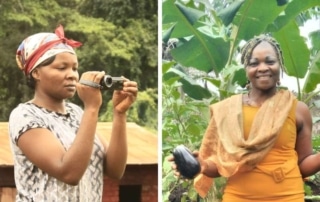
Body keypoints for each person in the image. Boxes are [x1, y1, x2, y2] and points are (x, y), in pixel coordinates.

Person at [169, 35, 318, 202]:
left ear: (280, 66)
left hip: (288, 196)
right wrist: (202, 166)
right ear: (246, 69)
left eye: (270, 62)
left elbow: (303, 165)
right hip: (239, 197)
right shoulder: (228, 110)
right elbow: (219, 165)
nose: (262, 68)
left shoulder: (297, 109)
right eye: (254, 63)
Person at [9, 24, 138, 202]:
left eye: (75, 68)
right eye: (62, 68)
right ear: (36, 73)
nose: (72, 75)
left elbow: (115, 171)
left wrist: (119, 113)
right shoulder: (25, 116)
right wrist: (92, 108)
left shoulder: (77, 113)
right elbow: (69, 173)